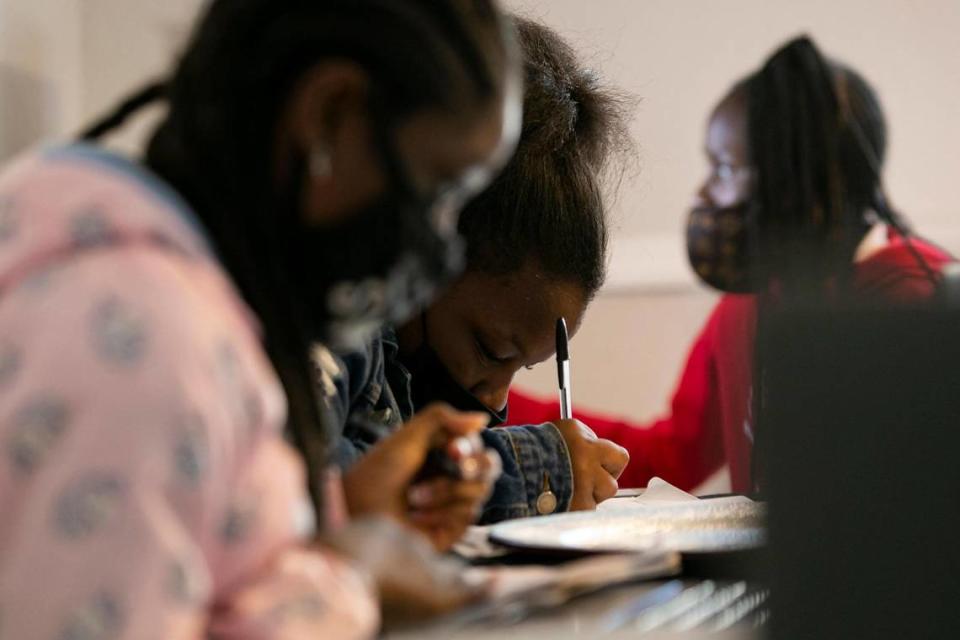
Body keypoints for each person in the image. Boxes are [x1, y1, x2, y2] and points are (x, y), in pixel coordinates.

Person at [0, 1, 521, 638]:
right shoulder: (146, 338)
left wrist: (343, 509)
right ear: (330, 114)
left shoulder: (171, 303)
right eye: (440, 190)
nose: (444, 245)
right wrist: (350, 580)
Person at [506, 36, 952, 494]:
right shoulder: (746, 307)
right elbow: (675, 456)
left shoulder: (921, 303)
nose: (703, 196)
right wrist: (508, 413)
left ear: (792, 183)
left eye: (722, 169)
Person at [324, 16, 633, 526]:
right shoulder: (340, 314)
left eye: (519, 368)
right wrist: (529, 470)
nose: (496, 399)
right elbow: (321, 490)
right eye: (492, 351)